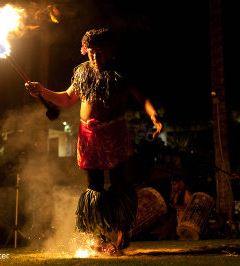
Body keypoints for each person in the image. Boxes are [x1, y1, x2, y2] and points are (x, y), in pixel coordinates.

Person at [25, 28, 162, 251]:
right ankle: (99, 236)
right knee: (94, 188)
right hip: (88, 136)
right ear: (85, 52)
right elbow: (68, 98)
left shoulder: (119, 74)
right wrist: (42, 91)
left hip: (114, 133)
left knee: (119, 185)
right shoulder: (82, 73)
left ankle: (122, 227)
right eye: (91, 53)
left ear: (109, 51)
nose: (95, 57)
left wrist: (154, 116)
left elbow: (142, 96)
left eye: (99, 52)